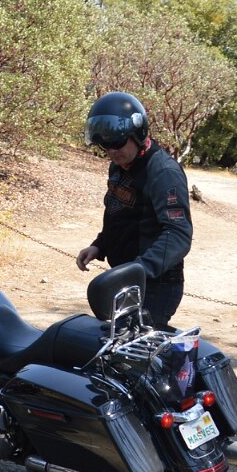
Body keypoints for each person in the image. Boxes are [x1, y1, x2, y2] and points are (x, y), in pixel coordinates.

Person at [74, 91, 192, 327]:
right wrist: (100, 245)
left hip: (155, 285)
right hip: (127, 279)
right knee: (114, 342)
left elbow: (178, 234)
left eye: (117, 143)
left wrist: (139, 269)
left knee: (133, 347)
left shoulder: (163, 172)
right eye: (104, 145)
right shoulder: (119, 166)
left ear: (137, 133)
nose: (111, 151)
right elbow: (119, 214)